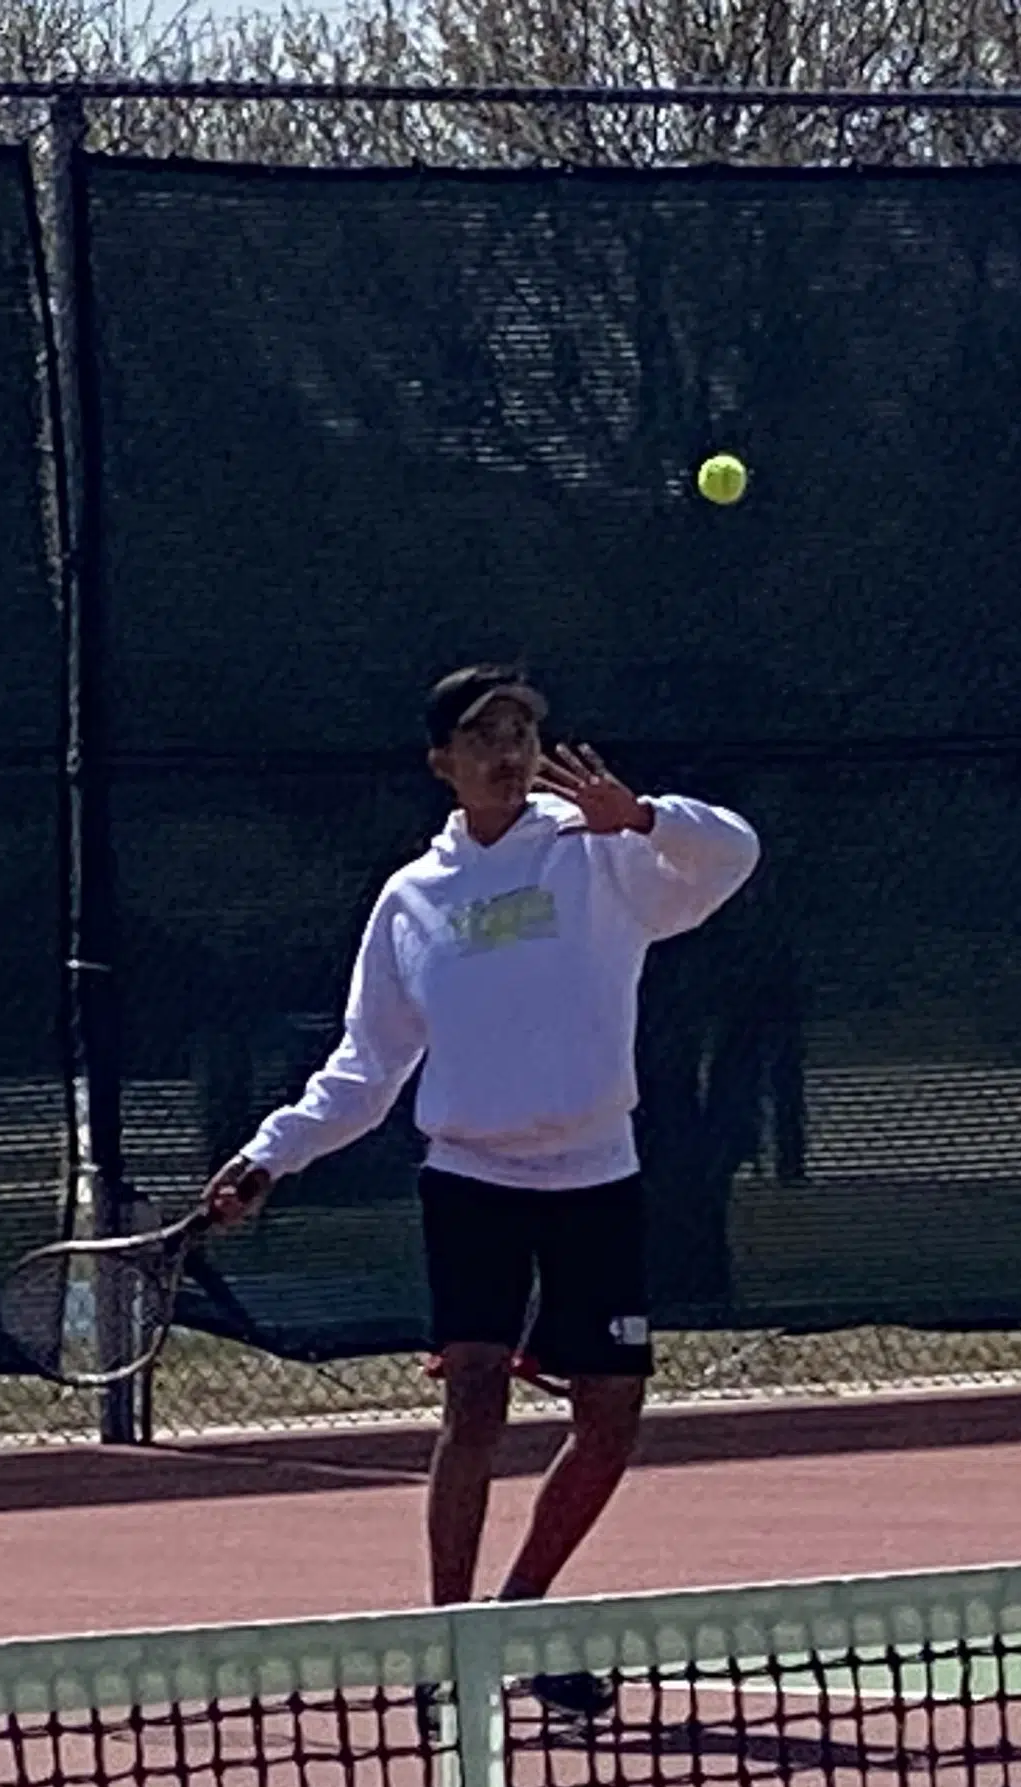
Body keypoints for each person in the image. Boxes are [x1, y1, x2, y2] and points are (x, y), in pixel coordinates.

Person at [201, 663, 760, 1715]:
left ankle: (521, 1614)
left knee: (610, 1418)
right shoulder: (412, 900)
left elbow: (733, 853)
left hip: (597, 1171)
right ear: (441, 764)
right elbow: (364, 1070)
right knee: (473, 1392)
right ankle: (450, 1648)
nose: (507, 749)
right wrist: (270, 1156)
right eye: (482, 734)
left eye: (521, 730)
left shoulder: (603, 854)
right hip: (472, 1177)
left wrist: (642, 815)